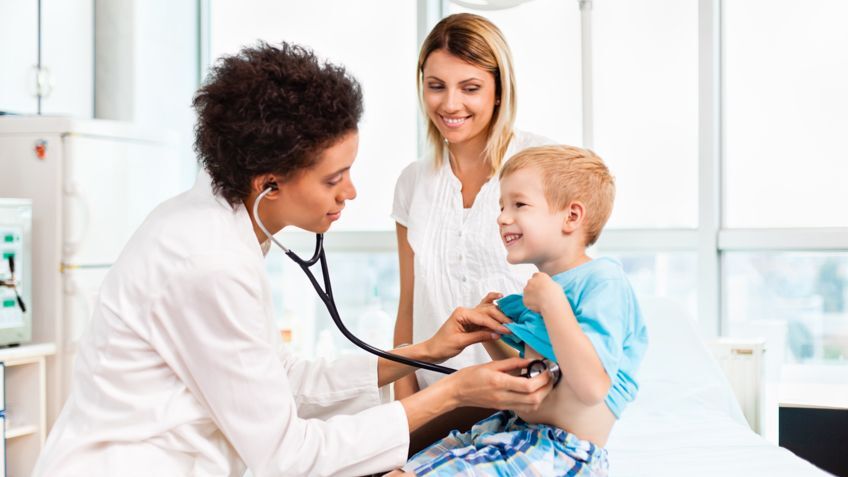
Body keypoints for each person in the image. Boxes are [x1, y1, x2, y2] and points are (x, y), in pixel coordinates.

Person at [32, 42, 555, 477]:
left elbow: (283, 379)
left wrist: (424, 351)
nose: (351, 192)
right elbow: (288, 455)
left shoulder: (219, 224)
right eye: (334, 178)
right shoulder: (208, 261)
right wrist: (452, 392)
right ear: (269, 185)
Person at [399, 146, 649, 476]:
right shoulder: (542, 290)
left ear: (572, 217)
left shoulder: (602, 281)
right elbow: (530, 384)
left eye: (519, 205)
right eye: (502, 206)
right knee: (401, 470)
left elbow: (591, 387)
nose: (502, 217)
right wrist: (490, 334)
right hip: (510, 429)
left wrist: (552, 303)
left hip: (559, 450)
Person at [392, 13, 553, 400]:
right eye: (436, 86)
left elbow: (572, 291)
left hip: (526, 395)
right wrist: (404, 401)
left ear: (499, 91)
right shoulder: (412, 182)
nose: (450, 104)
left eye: (470, 88)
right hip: (436, 399)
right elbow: (408, 305)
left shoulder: (544, 164)